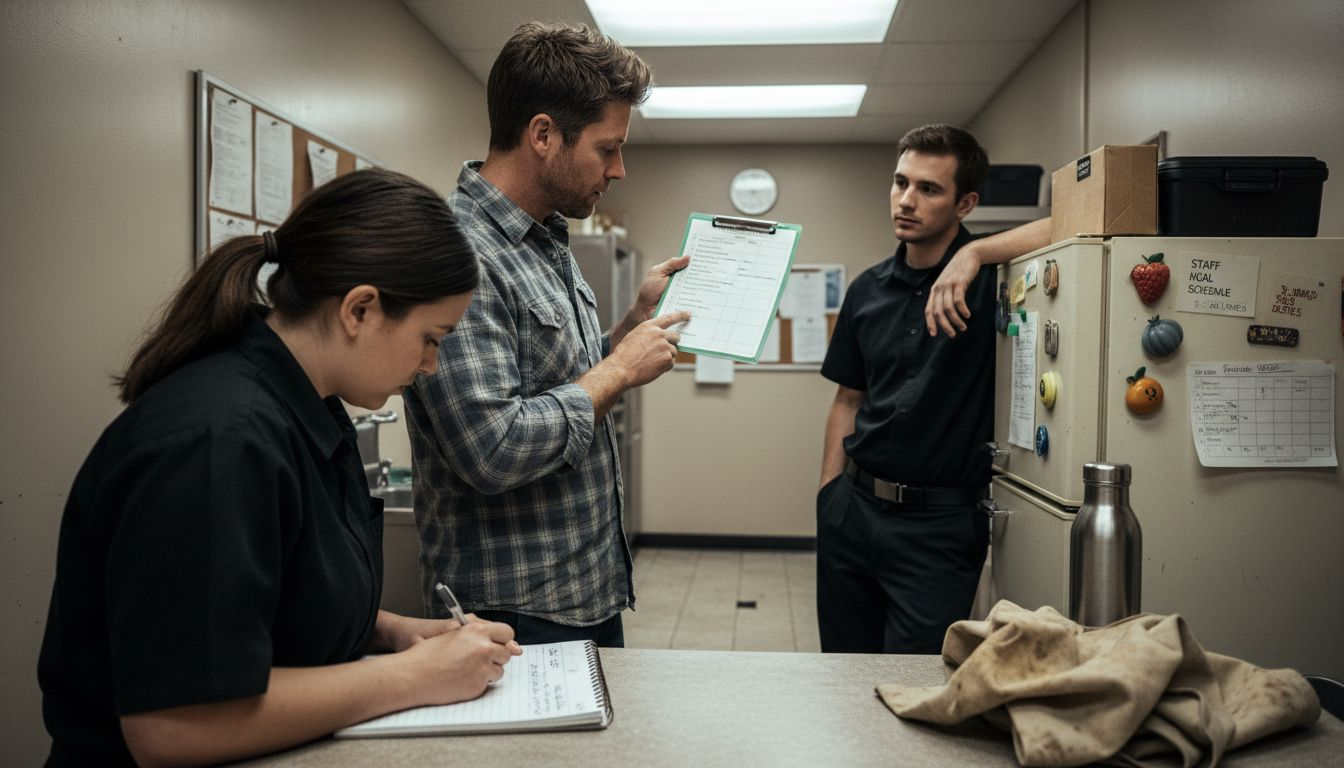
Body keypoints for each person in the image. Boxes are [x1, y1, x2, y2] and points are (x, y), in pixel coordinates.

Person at [38, 169, 523, 767]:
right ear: (361, 310)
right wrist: (415, 676)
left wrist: (391, 630)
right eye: (432, 337)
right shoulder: (220, 441)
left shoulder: (307, 407)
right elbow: (174, 726)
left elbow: (265, 596)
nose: (431, 365)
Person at [404, 22, 688, 648]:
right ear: (542, 135)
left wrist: (627, 334)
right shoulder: (461, 255)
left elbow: (559, 379)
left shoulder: (545, 240)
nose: (619, 170)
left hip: (582, 590)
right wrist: (617, 371)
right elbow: (492, 447)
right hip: (511, 612)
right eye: (607, 148)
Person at [816, 125, 1049, 654]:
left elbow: (1080, 221)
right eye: (900, 183)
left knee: (915, 681)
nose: (906, 200)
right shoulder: (866, 290)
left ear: (965, 202)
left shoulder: (993, 283)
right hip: (853, 511)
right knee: (840, 671)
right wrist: (829, 497)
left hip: (939, 528)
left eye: (929, 189)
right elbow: (848, 398)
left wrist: (975, 256)